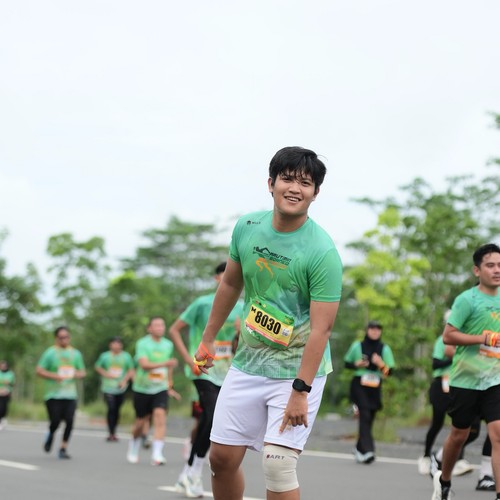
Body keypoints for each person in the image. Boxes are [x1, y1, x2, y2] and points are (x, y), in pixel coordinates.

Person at [193, 146, 343, 500]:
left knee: (278, 465)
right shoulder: (247, 227)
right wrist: (207, 338)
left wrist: (300, 391)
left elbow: (321, 329)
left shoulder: (322, 252)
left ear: (315, 193)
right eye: (287, 179)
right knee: (221, 459)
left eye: (305, 183)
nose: (295, 188)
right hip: (248, 364)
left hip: (296, 371)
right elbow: (231, 284)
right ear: (271, 183)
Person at [432, 243, 500, 500]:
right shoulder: (466, 300)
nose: (497, 270)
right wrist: (482, 338)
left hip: (495, 379)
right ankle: (444, 480)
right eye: (490, 265)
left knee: (498, 434)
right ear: (477, 270)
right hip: (466, 380)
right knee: (459, 434)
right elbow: (448, 336)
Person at [169, 262, 242, 498]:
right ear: (217, 278)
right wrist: (188, 359)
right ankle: (193, 474)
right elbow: (174, 329)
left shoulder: (243, 307)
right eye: (225, 274)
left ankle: (186, 473)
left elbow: (238, 346)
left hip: (228, 373)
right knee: (211, 416)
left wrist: (239, 333)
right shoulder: (202, 303)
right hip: (202, 370)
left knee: (210, 421)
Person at [418, 326, 476, 477]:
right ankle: (426, 456)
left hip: (461, 385)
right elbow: (435, 364)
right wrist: (454, 357)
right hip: (442, 385)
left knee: (464, 424)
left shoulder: (469, 339)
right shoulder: (442, 340)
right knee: (437, 423)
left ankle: (454, 458)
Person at [126, 316, 180, 465]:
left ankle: (157, 454)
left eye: (162, 325)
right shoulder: (142, 344)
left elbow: (169, 367)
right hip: (142, 388)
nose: (160, 328)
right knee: (140, 422)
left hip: (160, 388)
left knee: (160, 416)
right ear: (149, 328)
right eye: (156, 325)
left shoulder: (168, 344)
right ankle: (134, 445)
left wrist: (170, 385)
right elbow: (144, 365)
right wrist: (165, 363)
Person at [343, 320, 395, 464]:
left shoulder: (384, 349)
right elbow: (347, 363)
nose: (375, 331)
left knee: (370, 417)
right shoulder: (357, 346)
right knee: (364, 414)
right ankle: (368, 450)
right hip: (359, 384)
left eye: (378, 329)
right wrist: (357, 364)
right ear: (367, 330)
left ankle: (359, 449)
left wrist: (381, 364)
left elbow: (389, 372)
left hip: (375, 386)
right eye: (372, 329)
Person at [36, 326, 86, 459]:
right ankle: (51, 434)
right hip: (53, 394)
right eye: (61, 337)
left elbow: (82, 372)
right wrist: (54, 376)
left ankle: (63, 448)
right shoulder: (50, 353)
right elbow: (39, 370)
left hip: (70, 394)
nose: (64, 340)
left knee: (70, 421)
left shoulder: (75, 354)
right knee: (55, 421)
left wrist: (76, 374)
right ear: (56, 338)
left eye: (67, 337)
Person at [94, 336, 135, 441]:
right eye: (114, 343)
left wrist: (125, 381)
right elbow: (97, 367)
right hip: (108, 387)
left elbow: (131, 370)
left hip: (121, 387)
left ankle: (114, 431)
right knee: (111, 408)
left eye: (118, 343)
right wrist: (106, 374)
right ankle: (111, 432)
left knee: (117, 410)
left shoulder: (126, 356)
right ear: (110, 345)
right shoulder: (105, 356)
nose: (116, 346)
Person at [0, 360, 15, 430]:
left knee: (4, 407)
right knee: (0, 407)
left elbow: (11, 383)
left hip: (6, 392)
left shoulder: (10, 374)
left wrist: (7, 384)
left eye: (4, 366)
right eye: (2, 366)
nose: (3, 367)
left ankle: (3, 417)